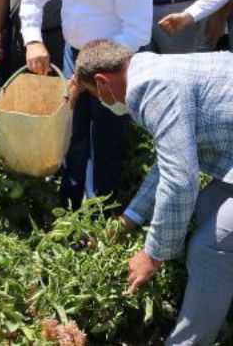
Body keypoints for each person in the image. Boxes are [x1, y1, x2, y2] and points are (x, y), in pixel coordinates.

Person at [72, 39, 233, 346]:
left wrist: (153, 254)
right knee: (205, 210)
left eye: (95, 96)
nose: (102, 103)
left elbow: (180, 180)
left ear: (103, 82)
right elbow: (170, 162)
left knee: (208, 248)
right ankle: (217, 304)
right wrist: (130, 219)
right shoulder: (155, 69)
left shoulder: (151, 88)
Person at [20, 0, 153, 209]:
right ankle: (70, 199)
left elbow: (136, 33)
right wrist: (32, 40)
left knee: (106, 136)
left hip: (116, 63)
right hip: (73, 52)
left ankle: (100, 208)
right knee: (72, 127)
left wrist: (87, 74)